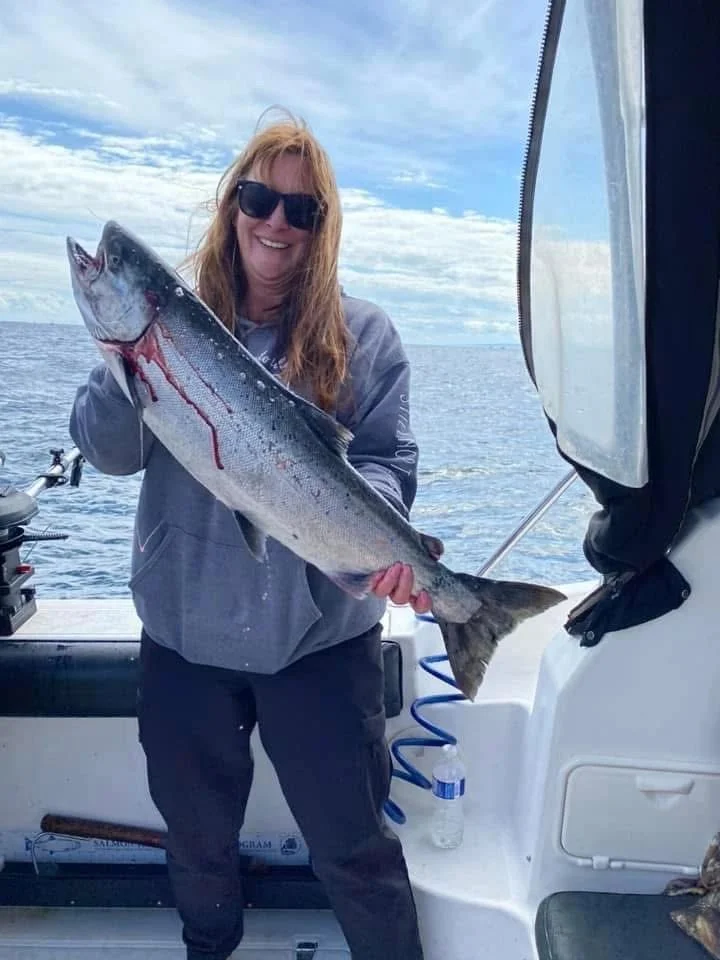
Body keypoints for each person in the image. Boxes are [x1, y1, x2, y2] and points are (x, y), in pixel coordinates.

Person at [69, 111, 430, 960]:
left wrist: (374, 539)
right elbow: (110, 455)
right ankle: (210, 950)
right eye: (259, 197)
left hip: (320, 646)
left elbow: (387, 467)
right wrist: (132, 368)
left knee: (353, 849)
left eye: (301, 210)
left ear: (322, 227)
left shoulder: (366, 335)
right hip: (185, 638)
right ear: (232, 205)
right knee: (196, 842)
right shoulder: (168, 323)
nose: (276, 222)